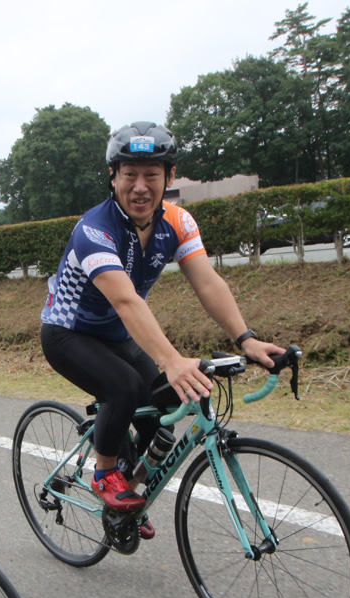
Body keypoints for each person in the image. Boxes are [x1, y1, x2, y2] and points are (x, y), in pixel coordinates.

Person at [39, 121, 283, 538]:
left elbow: (208, 282)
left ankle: (124, 506)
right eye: (129, 174)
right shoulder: (94, 229)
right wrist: (169, 359)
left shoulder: (179, 222)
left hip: (120, 333)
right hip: (69, 333)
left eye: (151, 174)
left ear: (169, 177)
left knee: (162, 416)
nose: (140, 186)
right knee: (125, 388)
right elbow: (126, 301)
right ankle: (104, 475)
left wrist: (247, 339)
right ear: (113, 177)